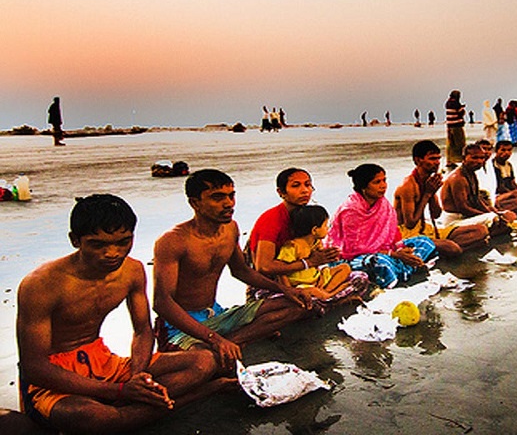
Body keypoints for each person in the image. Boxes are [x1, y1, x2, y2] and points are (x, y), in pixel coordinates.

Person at [17, 194, 221, 433]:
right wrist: (120, 391)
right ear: (75, 240)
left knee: (203, 361)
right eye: (98, 245)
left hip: (104, 362)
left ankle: (129, 410)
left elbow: (143, 330)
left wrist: (138, 377)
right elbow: (35, 368)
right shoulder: (41, 285)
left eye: (123, 242)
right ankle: (187, 397)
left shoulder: (132, 270)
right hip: (58, 377)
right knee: (93, 416)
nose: (113, 253)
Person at [152, 170, 314, 371]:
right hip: (181, 326)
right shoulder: (173, 241)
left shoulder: (230, 229)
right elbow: (162, 303)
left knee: (298, 304)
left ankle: (230, 343)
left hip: (216, 314)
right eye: (218, 198)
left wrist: (286, 290)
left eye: (231, 196)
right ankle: (221, 345)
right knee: (204, 364)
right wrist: (215, 338)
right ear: (195, 203)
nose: (228, 203)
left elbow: (241, 271)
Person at [329, 164, 437, 288]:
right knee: (378, 262)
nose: (383, 185)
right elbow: (354, 250)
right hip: (353, 258)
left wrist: (401, 249)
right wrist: (393, 254)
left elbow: (393, 232)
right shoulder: (351, 211)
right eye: (377, 182)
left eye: (384, 180)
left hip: (385, 251)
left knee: (424, 242)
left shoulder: (383, 204)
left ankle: (405, 268)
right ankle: (405, 269)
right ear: (364, 187)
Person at [247, 168, 343, 301]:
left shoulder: (308, 215)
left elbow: (313, 250)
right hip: (274, 284)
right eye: (296, 186)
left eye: (308, 185)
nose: (305, 190)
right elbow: (264, 267)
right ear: (281, 192)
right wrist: (309, 262)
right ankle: (322, 297)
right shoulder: (271, 219)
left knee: (359, 278)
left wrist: (326, 256)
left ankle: (321, 295)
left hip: (306, 278)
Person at [394, 140, 489, 257]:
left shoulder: (429, 181)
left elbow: (436, 214)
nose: (437, 163)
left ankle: (438, 249)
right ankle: (446, 248)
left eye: (438, 158)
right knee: (453, 248)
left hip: (427, 229)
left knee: (481, 230)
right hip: (408, 234)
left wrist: (432, 193)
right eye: (432, 159)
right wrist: (427, 194)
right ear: (418, 160)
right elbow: (410, 223)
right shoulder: (408, 186)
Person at [277, 205, 368, 302]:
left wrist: (331, 255)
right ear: (314, 230)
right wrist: (289, 290)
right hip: (301, 285)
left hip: (317, 278)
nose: (327, 228)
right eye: (325, 225)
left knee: (345, 268)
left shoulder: (316, 242)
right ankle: (329, 295)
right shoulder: (292, 246)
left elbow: (320, 260)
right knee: (312, 291)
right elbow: (280, 271)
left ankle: (324, 292)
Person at [441, 143, 517, 236]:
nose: (479, 161)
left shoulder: (472, 174)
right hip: (454, 221)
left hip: (467, 217)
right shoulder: (458, 178)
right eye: (475, 158)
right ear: (464, 158)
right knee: (492, 220)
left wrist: (492, 211)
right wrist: (487, 215)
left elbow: (477, 199)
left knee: (509, 215)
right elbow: (463, 208)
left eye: (482, 158)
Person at [445, 90, 467, 168]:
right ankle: (461, 159)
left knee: (451, 144)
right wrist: (462, 108)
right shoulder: (456, 104)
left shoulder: (447, 103)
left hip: (450, 126)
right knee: (460, 143)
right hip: (457, 126)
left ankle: (449, 160)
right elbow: (461, 113)